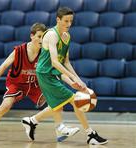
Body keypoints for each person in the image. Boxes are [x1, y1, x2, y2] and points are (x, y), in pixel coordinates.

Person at [0, 23, 79, 141]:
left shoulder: (46, 53)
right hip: (16, 83)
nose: (42, 39)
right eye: (39, 36)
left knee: (56, 100)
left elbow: (58, 71)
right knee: (6, 105)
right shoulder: (19, 50)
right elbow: (3, 66)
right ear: (31, 36)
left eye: (43, 37)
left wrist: (71, 81)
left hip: (35, 84)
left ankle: (57, 129)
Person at [22, 7, 108, 145]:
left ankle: (31, 121)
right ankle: (90, 134)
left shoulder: (67, 37)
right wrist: (72, 79)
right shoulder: (51, 35)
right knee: (75, 101)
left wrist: (78, 80)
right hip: (45, 74)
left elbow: (65, 62)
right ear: (58, 20)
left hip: (54, 73)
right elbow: (55, 62)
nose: (68, 24)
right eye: (65, 21)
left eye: (71, 21)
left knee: (56, 106)